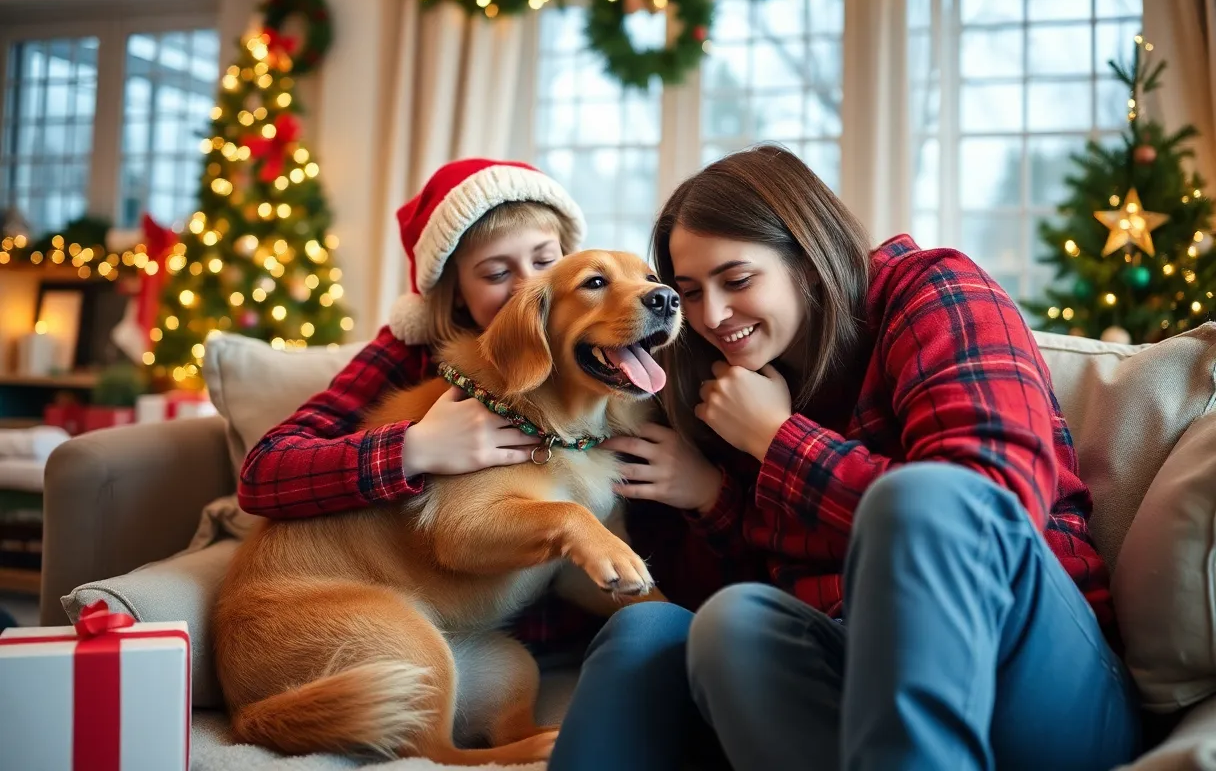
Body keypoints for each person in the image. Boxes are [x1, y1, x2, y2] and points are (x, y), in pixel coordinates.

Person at [549, 144, 1141, 771]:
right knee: (689, 627)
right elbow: (741, 612)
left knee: (918, 499)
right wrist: (713, 500)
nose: (713, 316)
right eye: (690, 293)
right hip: (852, 676)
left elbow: (986, 510)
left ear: (807, 259)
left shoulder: (934, 292)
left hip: (1034, 675)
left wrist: (780, 440)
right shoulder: (723, 379)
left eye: (738, 280)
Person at [237, 157, 603, 648]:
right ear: (455, 297)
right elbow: (264, 471)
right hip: (393, 605)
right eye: (496, 273)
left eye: (545, 262)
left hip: (520, 633)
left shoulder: (594, 355)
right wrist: (416, 448)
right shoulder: (408, 354)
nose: (527, 287)